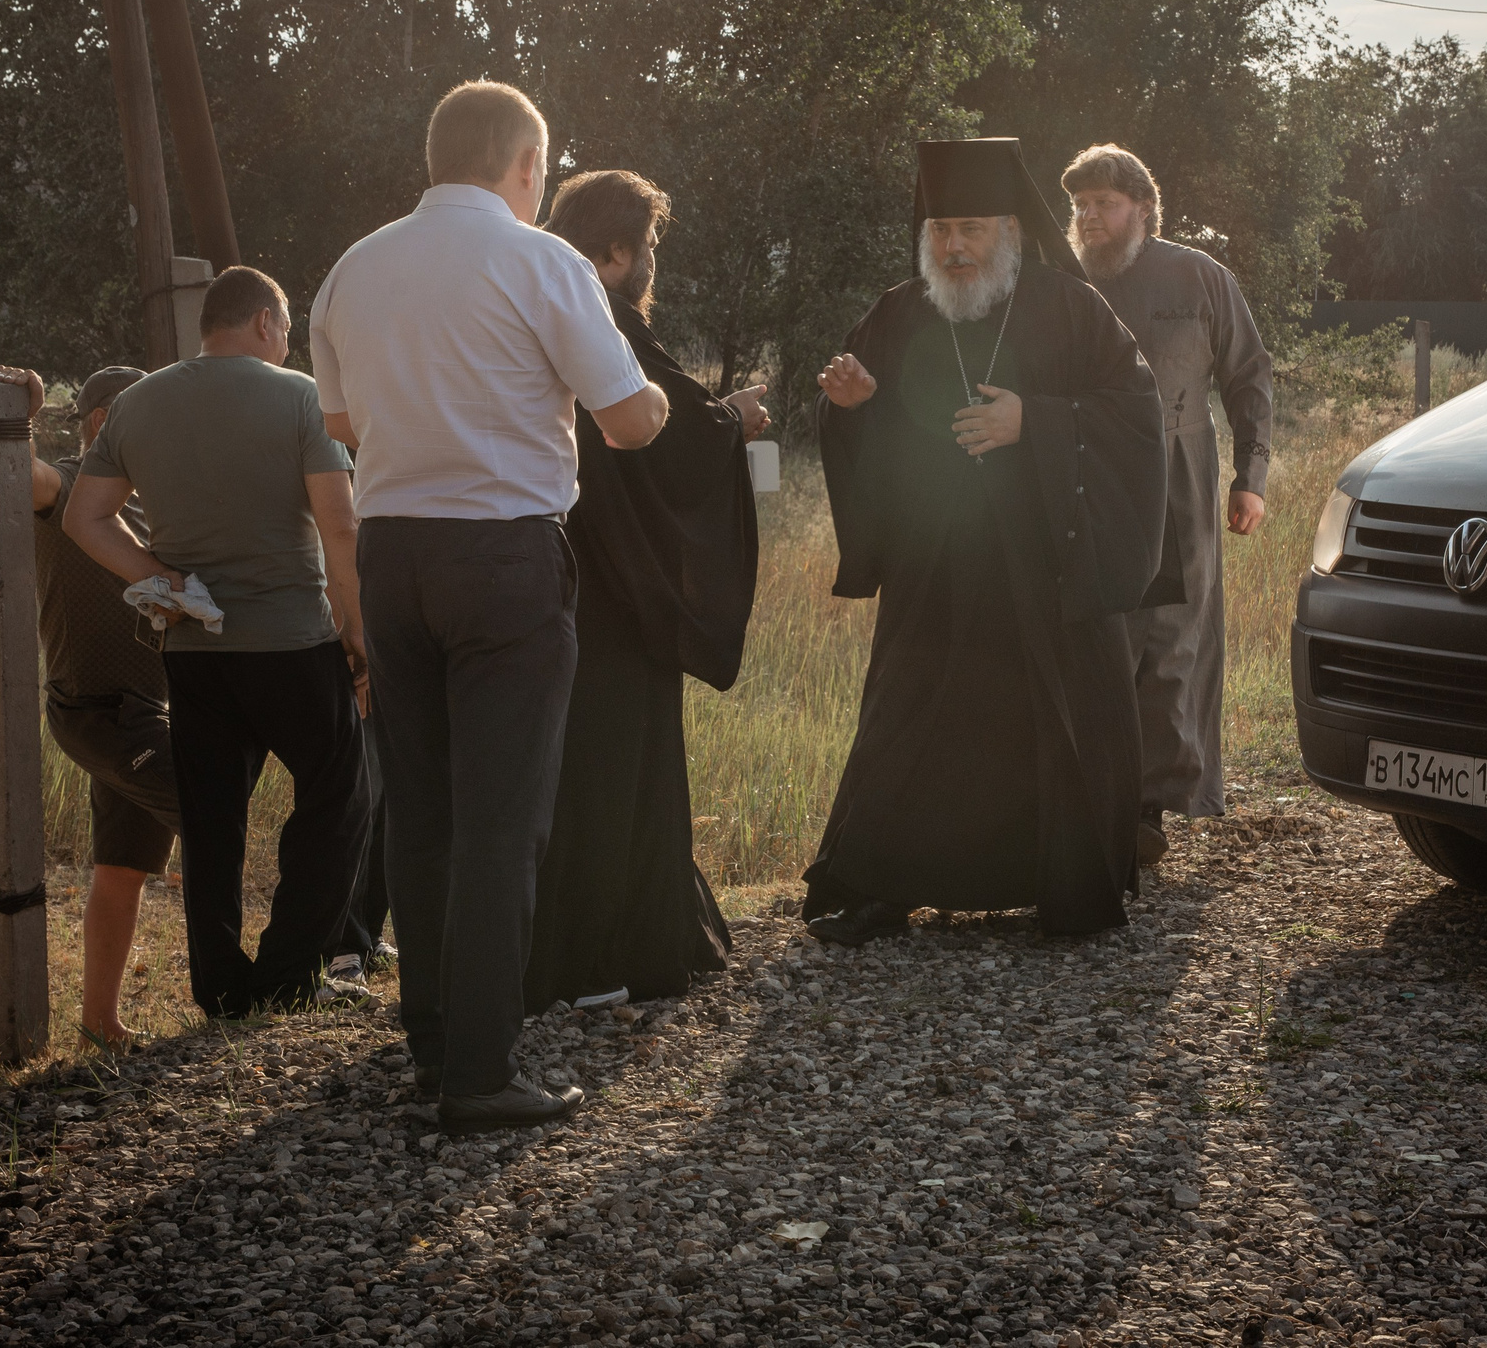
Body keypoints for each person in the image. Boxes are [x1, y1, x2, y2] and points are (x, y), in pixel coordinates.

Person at [309, 80, 670, 1132]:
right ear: (525, 166)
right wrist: (644, 401)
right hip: (503, 555)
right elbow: (628, 420)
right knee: (503, 819)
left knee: (422, 807)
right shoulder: (540, 258)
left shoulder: (351, 269)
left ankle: (429, 1040)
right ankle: (479, 1070)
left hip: (392, 554)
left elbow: (338, 416)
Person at [802, 136, 1170, 946]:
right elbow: (864, 428)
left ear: (1008, 229)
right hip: (933, 568)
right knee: (909, 721)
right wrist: (855, 406)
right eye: (939, 231)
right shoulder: (899, 311)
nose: (953, 247)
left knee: (1048, 721)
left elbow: (1137, 413)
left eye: (969, 228)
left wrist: (1034, 419)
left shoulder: (1069, 307)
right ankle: (880, 886)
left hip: (1046, 564)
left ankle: (1063, 884)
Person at [63, 266, 376, 1020]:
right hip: (293, 643)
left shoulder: (136, 404)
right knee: (340, 794)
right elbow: (339, 523)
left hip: (196, 653)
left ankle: (221, 988)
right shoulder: (300, 396)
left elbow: (85, 519)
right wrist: (357, 630)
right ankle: (288, 973)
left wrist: (161, 582)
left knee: (211, 819)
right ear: (267, 322)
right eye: (288, 329)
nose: (288, 341)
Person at [527, 169, 764, 1012]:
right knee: (611, 764)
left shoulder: (531, 302)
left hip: (541, 566)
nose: (653, 262)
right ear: (619, 251)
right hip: (615, 594)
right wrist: (732, 419)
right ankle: (606, 956)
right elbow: (665, 431)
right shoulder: (604, 319)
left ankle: (545, 951)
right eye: (651, 246)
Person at [1061, 144, 1274, 865]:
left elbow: (1249, 376)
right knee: (1099, 636)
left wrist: (1252, 477)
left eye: (1105, 205)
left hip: (1179, 474)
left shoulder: (1200, 277)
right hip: (1087, 473)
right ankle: (1093, 796)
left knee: (1173, 641)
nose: (1090, 218)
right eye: (1081, 206)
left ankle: (1149, 805)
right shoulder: (1061, 283)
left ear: (1143, 210)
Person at [0, 362, 180, 1051]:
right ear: (103, 423)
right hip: (97, 711)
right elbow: (23, 476)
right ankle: (255, 986)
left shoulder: (153, 501)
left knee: (123, 865)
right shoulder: (72, 487)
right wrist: (22, 416)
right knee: (208, 809)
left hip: (146, 712)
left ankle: (100, 1023)